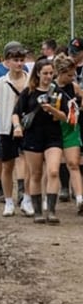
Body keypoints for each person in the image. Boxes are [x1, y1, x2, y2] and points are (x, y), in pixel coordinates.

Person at [12, 57, 68, 223]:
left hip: (53, 136)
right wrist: (17, 126)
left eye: (51, 73)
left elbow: (65, 116)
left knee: (53, 171)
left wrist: (52, 110)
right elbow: (16, 112)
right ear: (38, 73)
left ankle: (51, 210)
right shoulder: (29, 92)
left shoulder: (57, 92)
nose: (48, 76)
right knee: (35, 174)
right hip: (33, 136)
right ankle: (37, 211)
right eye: (45, 73)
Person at [0, 43, 31, 217]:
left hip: (28, 129)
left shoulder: (30, 81)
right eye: (15, 60)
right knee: (7, 166)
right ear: (8, 62)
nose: (19, 64)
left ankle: (26, 199)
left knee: (28, 164)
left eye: (21, 60)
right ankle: (8, 201)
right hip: (5, 128)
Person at [52, 53, 83, 211]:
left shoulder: (74, 87)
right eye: (70, 75)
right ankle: (48, 198)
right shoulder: (51, 87)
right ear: (60, 72)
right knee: (52, 167)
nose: (72, 78)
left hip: (71, 128)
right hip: (54, 129)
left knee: (73, 163)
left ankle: (79, 198)